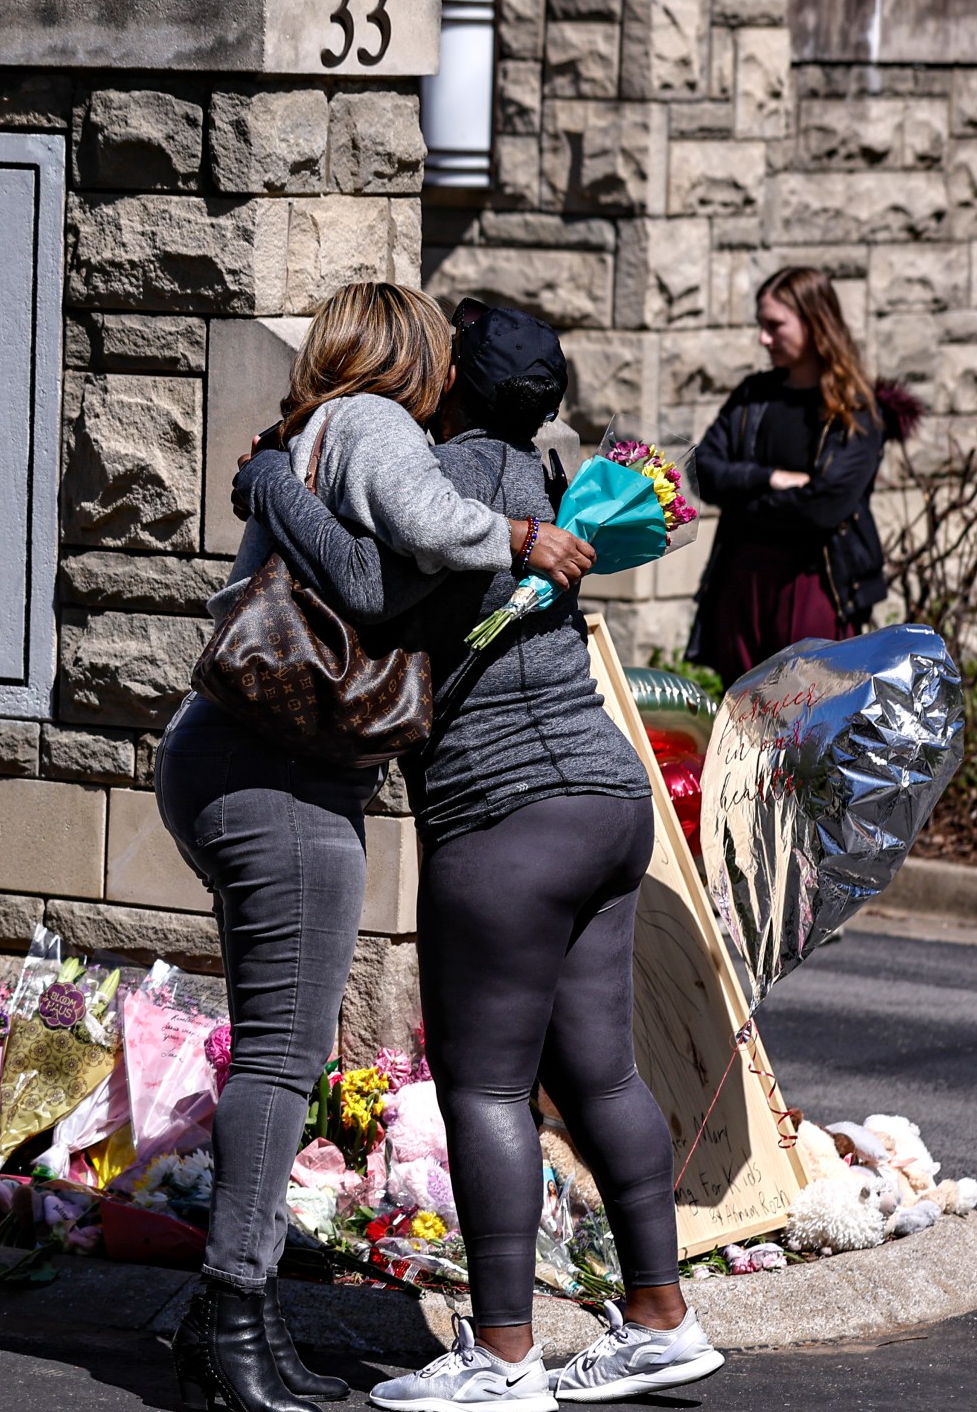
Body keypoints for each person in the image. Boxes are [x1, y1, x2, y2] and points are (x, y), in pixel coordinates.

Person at [237, 301, 720, 1409]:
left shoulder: (443, 476)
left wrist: (271, 486)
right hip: (607, 793)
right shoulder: (552, 482)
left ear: (451, 378)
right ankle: (659, 1317)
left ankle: (502, 1359)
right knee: (598, 1070)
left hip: (505, 811)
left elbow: (368, 588)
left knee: (485, 1083)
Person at [158, 283, 595, 1412]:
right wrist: (512, 534)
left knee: (278, 1051)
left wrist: (267, 482)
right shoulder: (372, 424)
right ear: (409, 353)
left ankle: (232, 1317)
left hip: (252, 764)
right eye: (440, 353)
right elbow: (402, 555)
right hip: (276, 776)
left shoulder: (314, 434)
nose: (450, 372)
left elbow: (359, 576)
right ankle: (226, 1316)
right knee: (278, 1058)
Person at [687, 266, 886, 680]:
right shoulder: (753, 396)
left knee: (808, 719)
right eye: (761, 326)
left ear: (815, 323)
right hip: (741, 583)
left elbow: (823, 506)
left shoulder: (852, 411)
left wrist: (740, 497)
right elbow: (702, 469)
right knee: (743, 724)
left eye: (775, 326)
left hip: (814, 583)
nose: (764, 339)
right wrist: (769, 478)